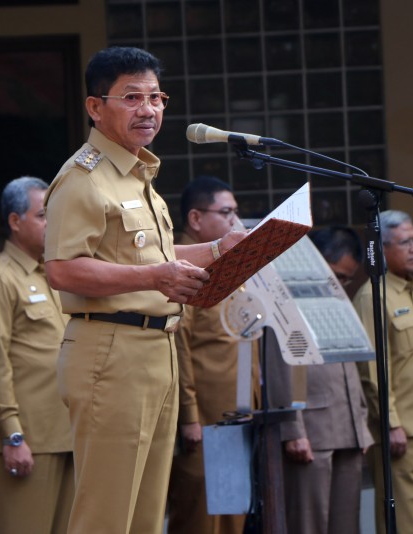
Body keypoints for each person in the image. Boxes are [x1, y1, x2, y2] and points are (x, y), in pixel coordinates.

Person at [43, 47, 244, 534]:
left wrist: (220, 248)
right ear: (95, 107)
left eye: (156, 97)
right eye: (132, 97)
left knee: (147, 515)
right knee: (107, 515)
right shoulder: (83, 178)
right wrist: (154, 278)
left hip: (156, 349)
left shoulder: (138, 174)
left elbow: (156, 256)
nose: (148, 109)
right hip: (111, 352)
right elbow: (63, 269)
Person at [0, 176, 74, 534]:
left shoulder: (55, 274)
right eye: (43, 215)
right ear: (15, 221)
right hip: (29, 437)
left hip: (68, 430)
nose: (52, 223)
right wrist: (12, 435)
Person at [167, 176, 256, 534]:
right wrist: (189, 416)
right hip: (203, 420)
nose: (236, 221)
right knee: (199, 516)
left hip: (235, 412)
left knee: (233, 512)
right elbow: (179, 347)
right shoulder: (181, 267)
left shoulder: (228, 262)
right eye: (226, 212)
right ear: (196, 218)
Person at [272, 226, 372, 534]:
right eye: (336, 275)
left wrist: (360, 423)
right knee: (308, 523)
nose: (338, 285)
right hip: (311, 431)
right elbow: (279, 369)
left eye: (345, 279)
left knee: (346, 523)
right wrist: (293, 429)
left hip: (346, 426)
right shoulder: (285, 302)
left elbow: (348, 364)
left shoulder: (337, 302)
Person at [353, 210, 413, 534]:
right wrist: (391, 424)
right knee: (403, 520)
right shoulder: (373, 295)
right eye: (405, 242)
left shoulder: (411, 289)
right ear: (383, 248)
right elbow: (373, 369)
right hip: (402, 432)